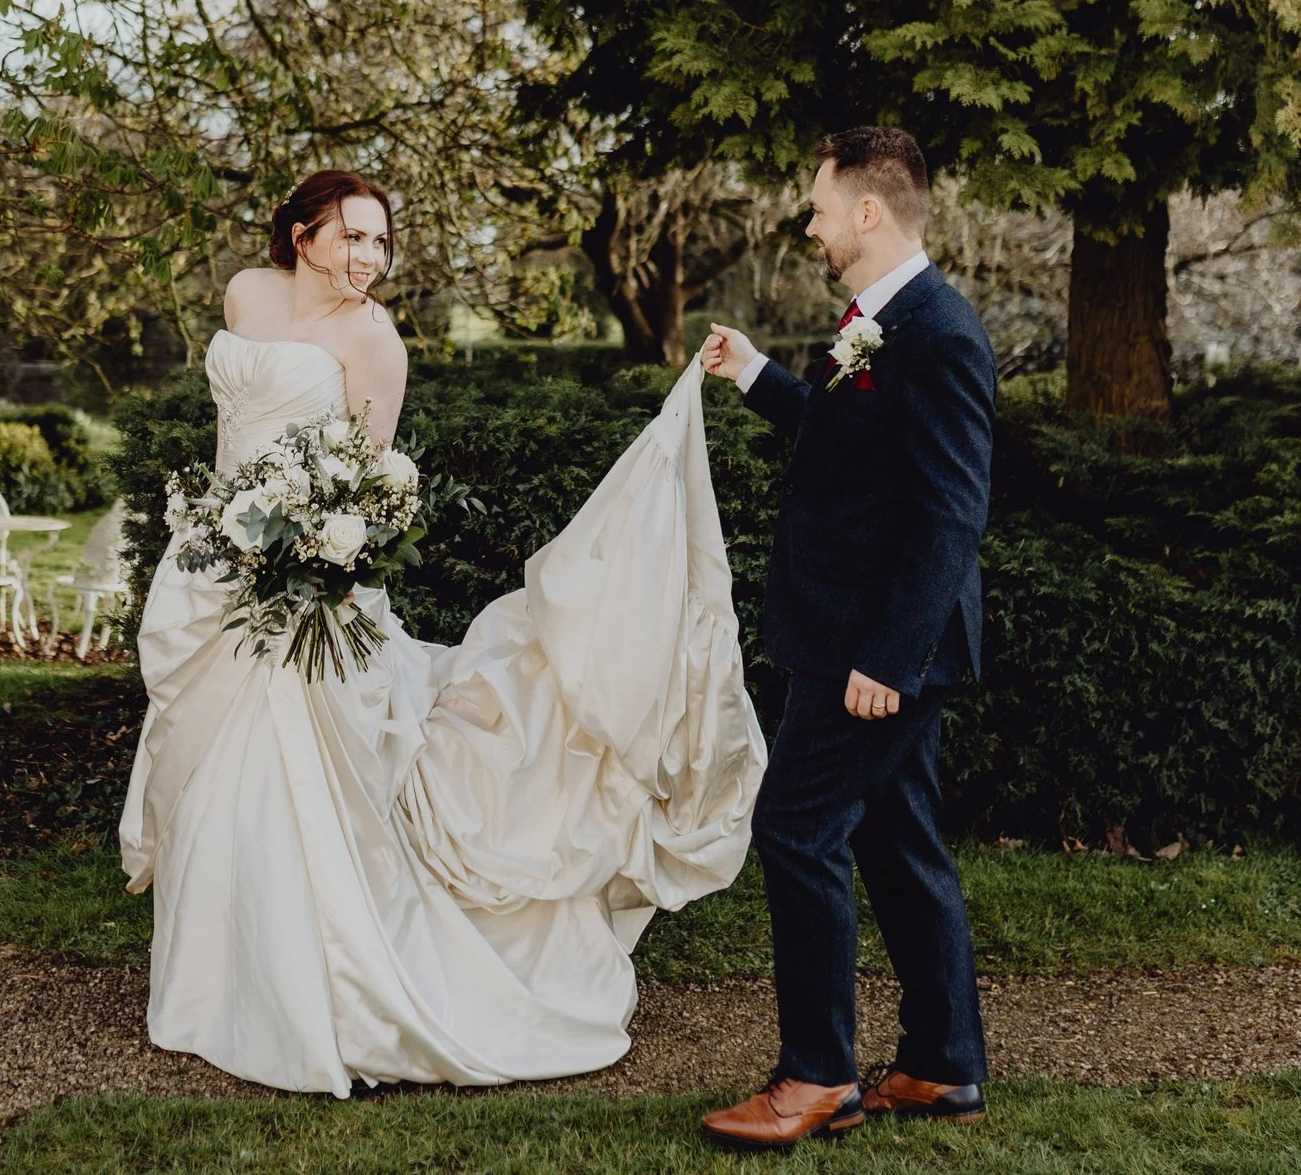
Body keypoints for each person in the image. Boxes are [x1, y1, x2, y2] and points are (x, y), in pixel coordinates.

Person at [119, 168, 766, 1095]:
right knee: (218, 764)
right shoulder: (245, 294)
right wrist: (217, 533)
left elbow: (368, 482)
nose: (370, 258)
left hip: (312, 586)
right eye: (353, 236)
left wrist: (321, 562)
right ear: (300, 235)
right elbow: (234, 430)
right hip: (222, 562)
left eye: (382, 242)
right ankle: (215, 980)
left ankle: (327, 993)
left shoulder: (373, 340)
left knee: (298, 776)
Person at [695, 126, 995, 1147]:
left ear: (868, 211)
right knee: (897, 840)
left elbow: (952, 515)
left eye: (818, 206)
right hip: (849, 634)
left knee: (795, 826)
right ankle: (941, 1064)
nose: (810, 223)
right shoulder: (875, 319)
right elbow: (840, 436)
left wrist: (888, 656)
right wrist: (753, 373)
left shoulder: (940, 332)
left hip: (872, 648)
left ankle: (816, 1073)